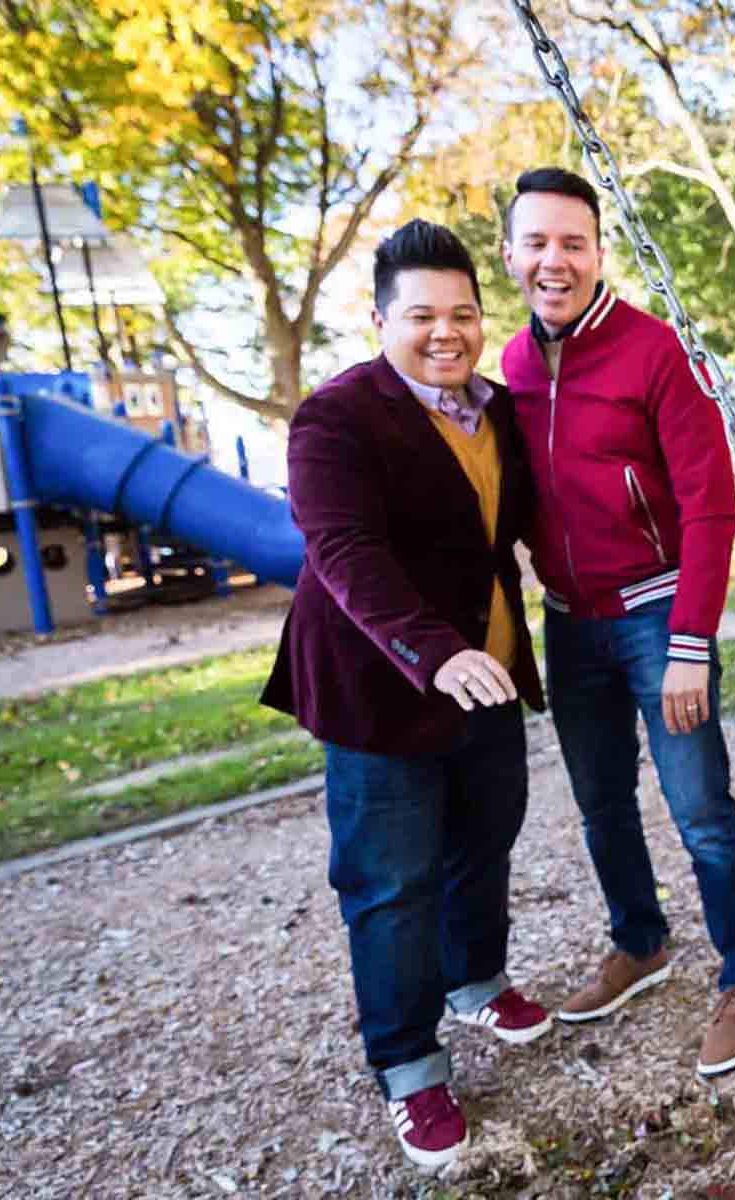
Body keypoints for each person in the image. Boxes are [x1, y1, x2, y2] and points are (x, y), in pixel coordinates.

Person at [262, 220, 552, 1170]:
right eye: (421, 314)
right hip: (382, 689)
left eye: (463, 312)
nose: (445, 331)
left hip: (492, 675)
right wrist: (432, 653)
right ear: (378, 317)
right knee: (391, 882)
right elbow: (344, 554)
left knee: (486, 840)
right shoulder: (335, 419)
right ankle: (410, 1066)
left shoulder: (501, 410)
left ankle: (476, 980)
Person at [498, 166, 735, 1076]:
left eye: (572, 242)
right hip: (569, 621)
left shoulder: (658, 352)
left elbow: (711, 507)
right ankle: (640, 941)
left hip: (660, 612)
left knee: (699, 808)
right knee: (600, 804)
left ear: (598, 252)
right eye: (537, 242)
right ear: (510, 256)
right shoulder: (506, 365)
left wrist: (691, 644)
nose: (555, 260)